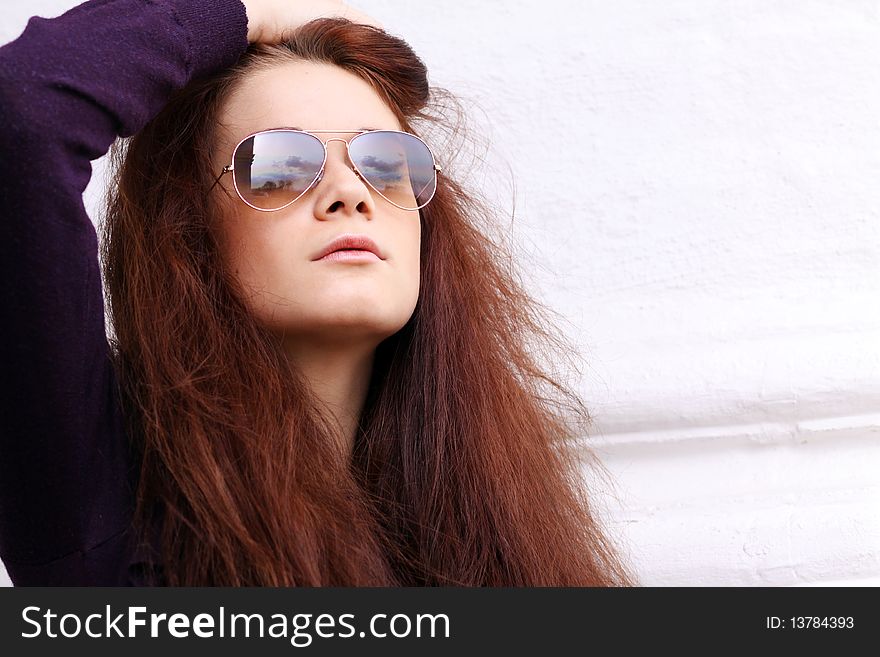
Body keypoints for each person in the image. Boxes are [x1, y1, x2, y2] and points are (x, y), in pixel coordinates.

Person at [0, 0, 635, 586]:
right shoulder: (97, 491)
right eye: (279, 165)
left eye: (390, 162)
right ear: (189, 231)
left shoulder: (504, 520)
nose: (352, 193)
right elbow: (21, 111)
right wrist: (248, 11)